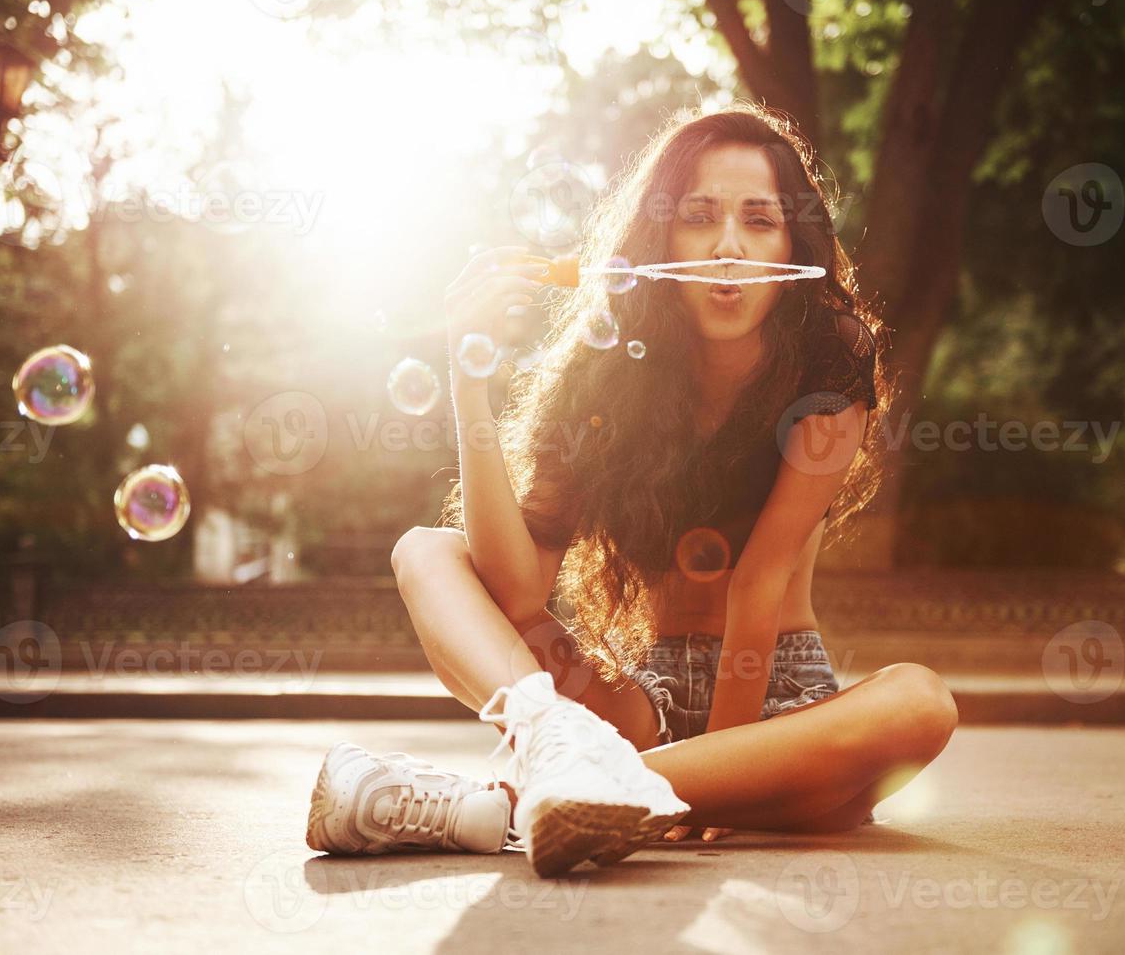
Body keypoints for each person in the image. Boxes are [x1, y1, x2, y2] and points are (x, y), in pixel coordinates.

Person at [305, 103, 958, 878]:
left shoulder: (832, 355)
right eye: (699, 217)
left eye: (759, 221)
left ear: (793, 245)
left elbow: (760, 579)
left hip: (782, 707)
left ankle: (500, 802)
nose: (726, 248)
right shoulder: (603, 377)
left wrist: (715, 776)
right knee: (426, 551)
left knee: (920, 702)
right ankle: (552, 748)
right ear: (660, 239)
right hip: (637, 708)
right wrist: (467, 382)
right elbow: (517, 590)